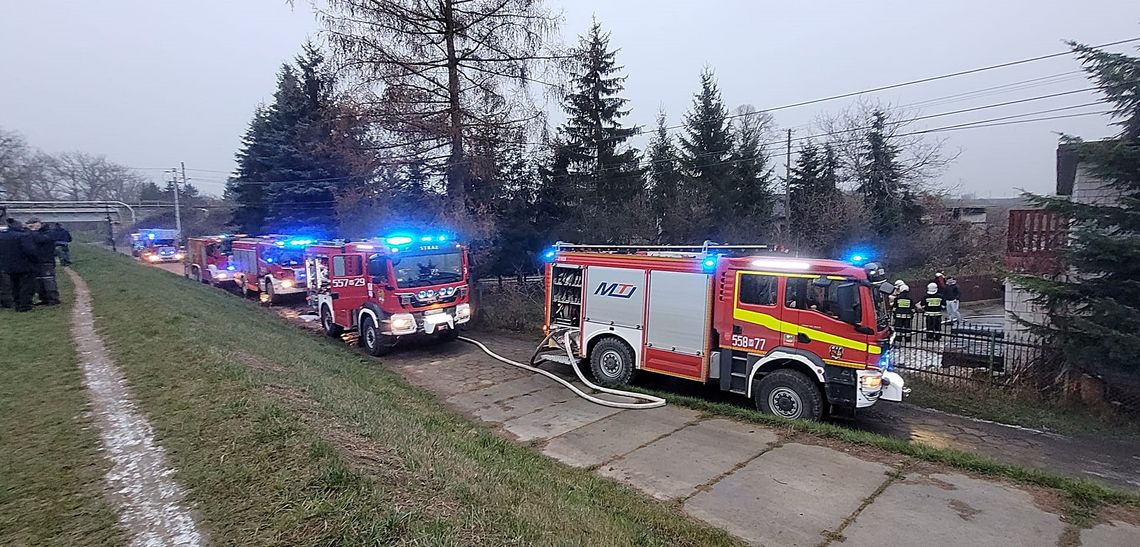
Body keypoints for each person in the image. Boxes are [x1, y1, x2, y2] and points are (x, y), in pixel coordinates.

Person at [0, 219, 39, 312]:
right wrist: (35, 261)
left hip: (8, 266)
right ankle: (25, 305)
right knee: (26, 286)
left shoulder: (2, 236)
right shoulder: (24, 236)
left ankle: (17, 304)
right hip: (25, 265)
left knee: (14, 286)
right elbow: (30, 251)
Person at [24, 218, 61, 306]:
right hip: (36, 261)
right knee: (39, 281)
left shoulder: (49, 232)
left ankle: (53, 298)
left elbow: (41, 239)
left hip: (47, 260)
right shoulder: (32, 234)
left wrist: (32, 231)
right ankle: (43, 298)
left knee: (48, 280)